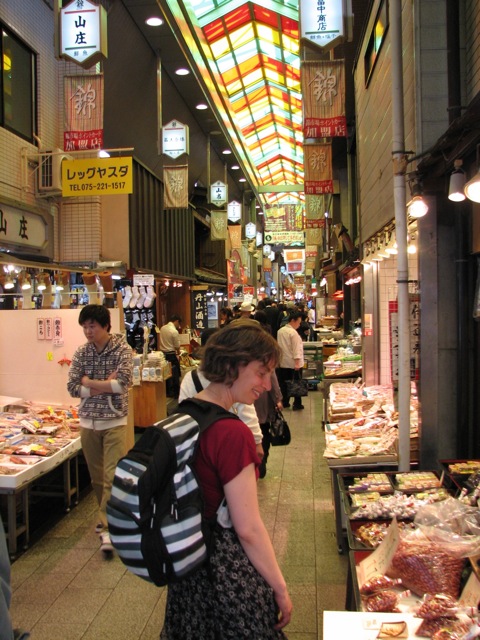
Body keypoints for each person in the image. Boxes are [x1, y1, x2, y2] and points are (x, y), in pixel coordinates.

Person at [160, 320, 292, 639]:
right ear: (233, 365)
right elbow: (247, 529)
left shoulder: (183, 414)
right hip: (224, 567)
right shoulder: (233, 433)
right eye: (261, 372)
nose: (265, 383)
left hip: (187, 560)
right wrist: (280, 587)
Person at [67, 304, 133, 554]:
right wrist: (104, 384)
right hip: (87, 422)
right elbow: (72, 387)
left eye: (92, 325)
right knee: (96, 478)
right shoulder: (82, 352)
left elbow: (123, 383)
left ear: (106, 325)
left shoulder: (122, 349)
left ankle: (107, 528)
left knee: (111, 475)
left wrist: (89, 382)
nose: (88, 330)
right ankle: (108, 517)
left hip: (114, 421)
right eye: (84, 326)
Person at [179, 327, 264, 459]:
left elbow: (183, 413)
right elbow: (246, 412)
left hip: (199, 446)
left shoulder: (191, 377)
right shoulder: (234, 376)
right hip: (230, 443)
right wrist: (257, 441)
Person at [254, 371, 283, 478]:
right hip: (262, 400)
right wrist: (277, 399)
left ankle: (256, 463)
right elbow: (272, 379)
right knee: (263, 431)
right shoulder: (266, 358)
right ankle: (262, 462)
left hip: (248, 401)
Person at [276, 310, 305, 411]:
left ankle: (285, 402)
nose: (299, 325)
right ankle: (297, 404)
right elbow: (296, 349)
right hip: (293, 363)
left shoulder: (280, 331)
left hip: (283, 362)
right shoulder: (293, 333)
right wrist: (297, 363)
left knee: (284, 384)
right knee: (296, 383)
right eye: (298, 322)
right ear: (293, 320)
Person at [158, 314, 182, 399]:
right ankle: (175, 394)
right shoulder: (174, 331)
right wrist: (179, 353)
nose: (179, 326)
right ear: (176, 321)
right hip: (171, 355)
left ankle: (168, 392)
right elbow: (177, 346)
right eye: (179, 324)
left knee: (166, 375)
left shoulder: (162, 328)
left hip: (163, 355)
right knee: (175, 374)